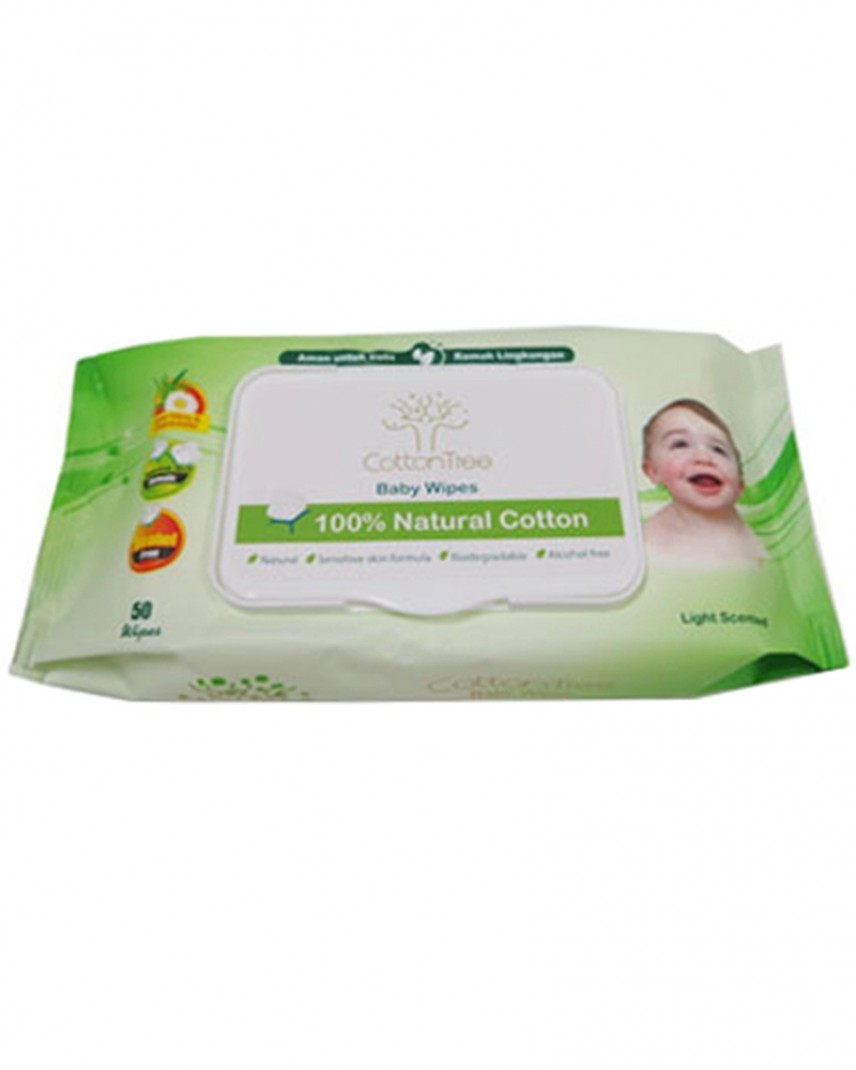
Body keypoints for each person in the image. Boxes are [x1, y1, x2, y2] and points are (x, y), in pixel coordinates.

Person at [641, 398, 766, 567]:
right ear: (653, 471)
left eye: (718, 450)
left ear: (740, 486)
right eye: (680, 444)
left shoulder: (756, 544)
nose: (704, 457)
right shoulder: (649, 540)